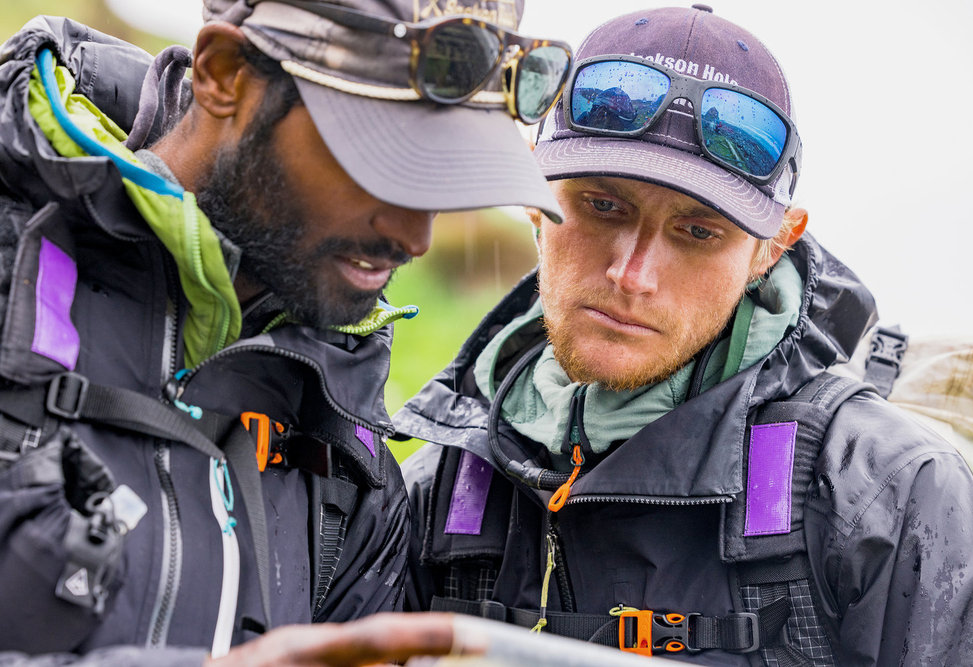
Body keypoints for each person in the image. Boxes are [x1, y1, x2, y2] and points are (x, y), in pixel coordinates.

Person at [396, 5, 973, 665]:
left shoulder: (891, 495)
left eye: (696, 231)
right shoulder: (439, 487)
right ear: (532, 193)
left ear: (771, 249)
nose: (631, 274)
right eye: (603, 205)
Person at [0, 0, 571, 663]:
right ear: (225, 75)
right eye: (380, 161)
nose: (415, 237)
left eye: (441, 177)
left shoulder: (347, 453)